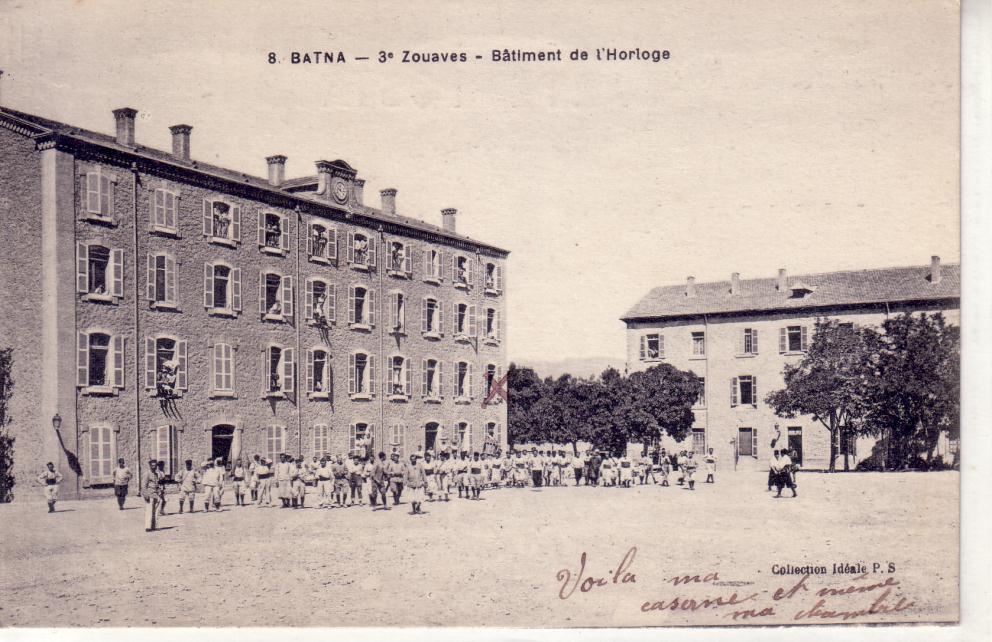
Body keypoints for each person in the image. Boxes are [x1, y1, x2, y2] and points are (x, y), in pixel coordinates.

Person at [142, 459, 162, 532]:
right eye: (152, 465)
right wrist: (145, 495)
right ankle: (148, 527)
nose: (154, 467)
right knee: (149, 511)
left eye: (155, 465)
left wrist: (159, 491)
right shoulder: (147, 474)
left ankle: (154, 526)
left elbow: (156, 485)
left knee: (156, 512)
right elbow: (144, 486)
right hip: (149, 495)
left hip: (156, 495)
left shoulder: (156, 474)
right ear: (150, 465)